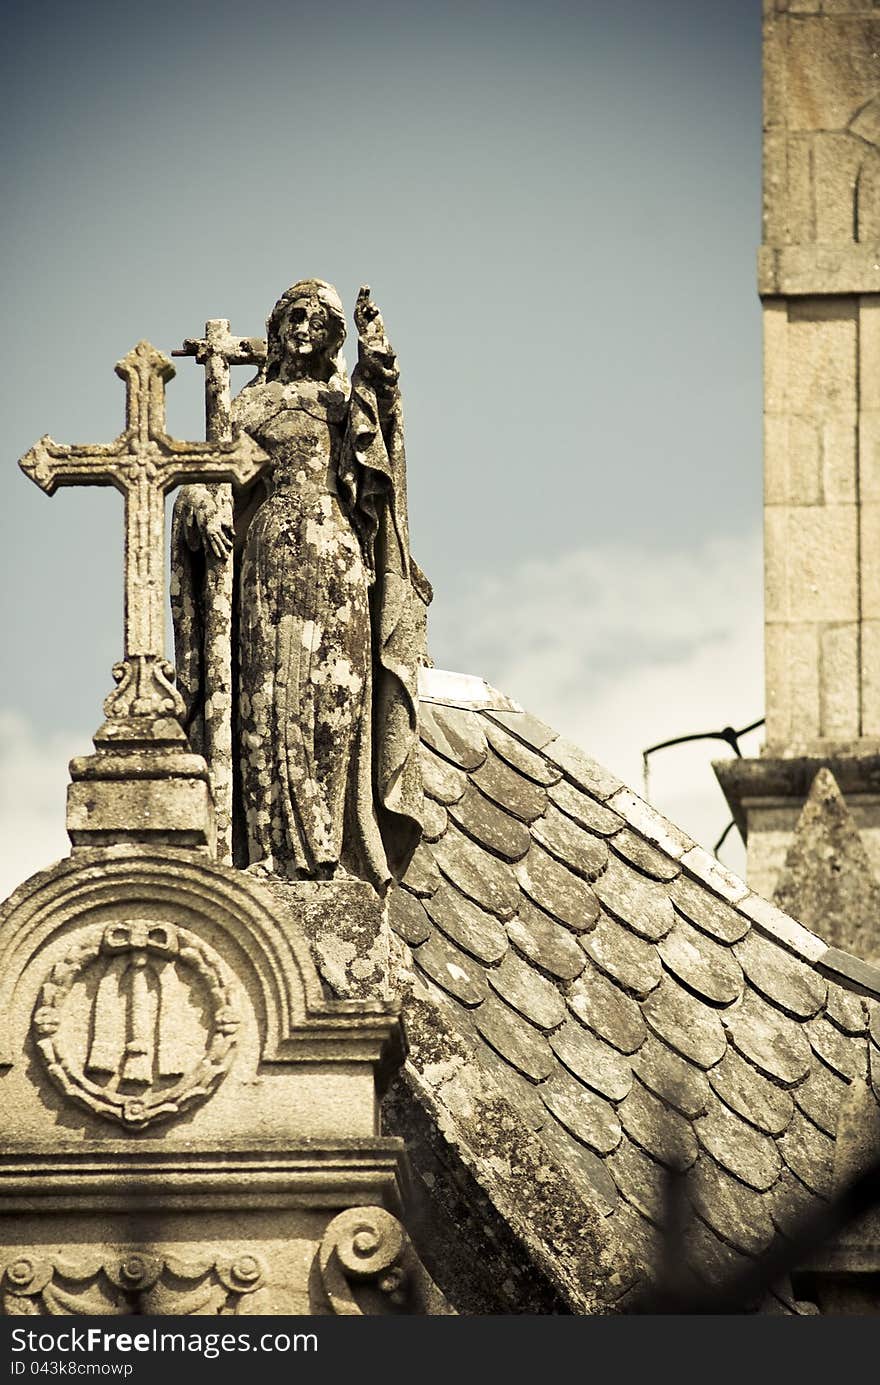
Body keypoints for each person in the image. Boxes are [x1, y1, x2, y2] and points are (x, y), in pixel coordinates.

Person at [171, 280, 424, 888]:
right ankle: (267, 849)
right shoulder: (248, 407)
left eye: (319, 318)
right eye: (294, 314)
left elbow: (380, 434)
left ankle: (330, 846)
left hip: (336, 558)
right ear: (277, 326)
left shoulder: (341, 403)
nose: (305, 325)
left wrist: (377, 359)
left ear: (334, 333)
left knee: (334, 703)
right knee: (267, 696)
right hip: (267, 555)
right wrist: (201, 505)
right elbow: (205, 478)